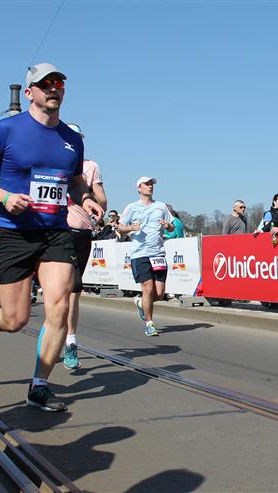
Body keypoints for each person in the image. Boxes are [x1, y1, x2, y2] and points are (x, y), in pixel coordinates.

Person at [0, 62, 102, 412]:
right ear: (29, 93)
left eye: (59, 83)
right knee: (15, 320)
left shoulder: (72, 139)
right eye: (46, 84)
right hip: (14, 232)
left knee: (60, 305)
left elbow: (74, 182)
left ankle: (39, 385)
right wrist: (4, 197)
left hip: (55, 230)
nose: (54, 88)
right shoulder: (6, 129)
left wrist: (86, 198)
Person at [63, 123, 107, 371]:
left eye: (76, 138)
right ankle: (65, 340)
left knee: (74, 291)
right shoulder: (51, 162)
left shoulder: (90, 166)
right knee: (66, 289)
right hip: (58, 231)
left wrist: (89, 194)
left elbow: (103, 201)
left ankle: (66, 339)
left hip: (83, 232)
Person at [118, 176, 174, 336]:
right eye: (147, 184)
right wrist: (130, 228)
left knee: (159, 294)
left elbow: (171, 227)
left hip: (158, 254)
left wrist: (168, 225)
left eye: (151, 184)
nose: (150, 186)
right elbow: (120, 228)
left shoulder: (161, 206)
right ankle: (150, 324)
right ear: (139, 188)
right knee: (148, 288)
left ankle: (140, 302)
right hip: (140, 254)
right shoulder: (131, 208)